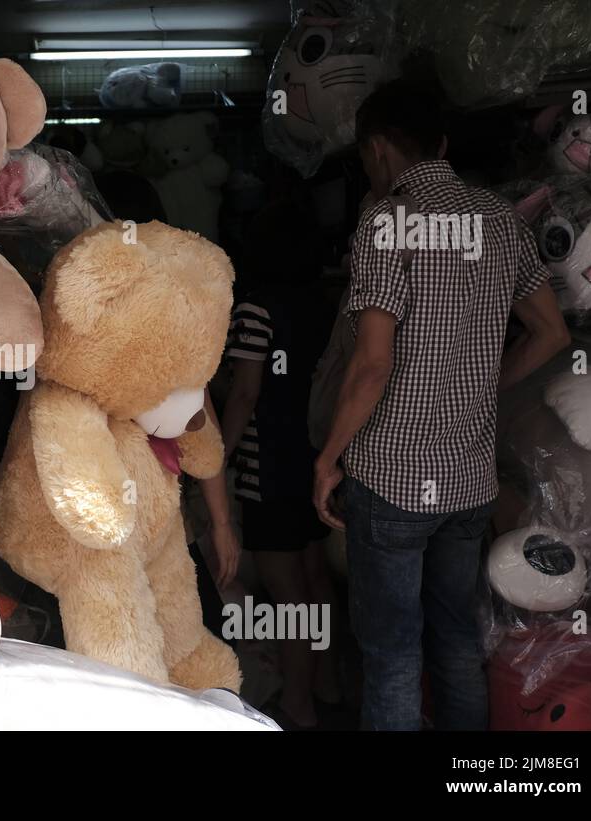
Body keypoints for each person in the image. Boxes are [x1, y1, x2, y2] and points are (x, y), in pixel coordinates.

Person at [312, 80, 571, 731]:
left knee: (394, 654)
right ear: (444, 144)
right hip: (468, 482)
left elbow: (371, 365)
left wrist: (328, 458)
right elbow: (552, 332)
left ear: (375, 149)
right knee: (457, 641)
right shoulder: (499, 218)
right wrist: (485, 384)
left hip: (393, 480)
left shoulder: (385, 221)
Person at [222, 200, 342, 728]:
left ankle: (298, 704)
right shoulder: (325, 304)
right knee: (315, 577)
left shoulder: (254, 309)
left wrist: (214, 461)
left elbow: (245, 393)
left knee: (286, 591)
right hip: (317, 458)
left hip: (266, 463)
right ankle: (331, 681)